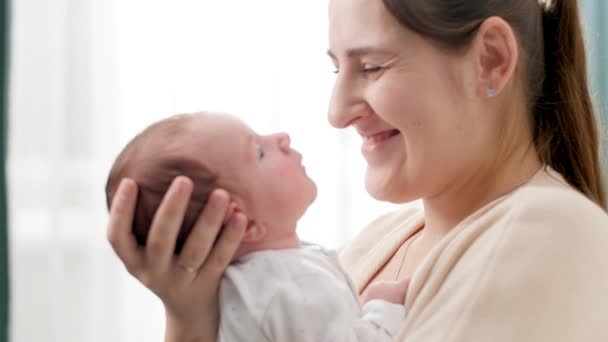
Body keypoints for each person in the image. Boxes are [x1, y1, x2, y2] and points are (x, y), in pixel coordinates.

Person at [106, 0, 608, 341]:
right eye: (336, 68)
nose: (336, 111)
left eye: (371, 67)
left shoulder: (545, 232)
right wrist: (191, 317)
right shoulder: (376, 243)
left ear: (492, 60)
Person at [105, 112, 410, 341]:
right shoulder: (290, 286)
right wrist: (382, 308)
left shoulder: (230, 294)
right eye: (260, 152)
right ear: (244, 223)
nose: (281, 137)